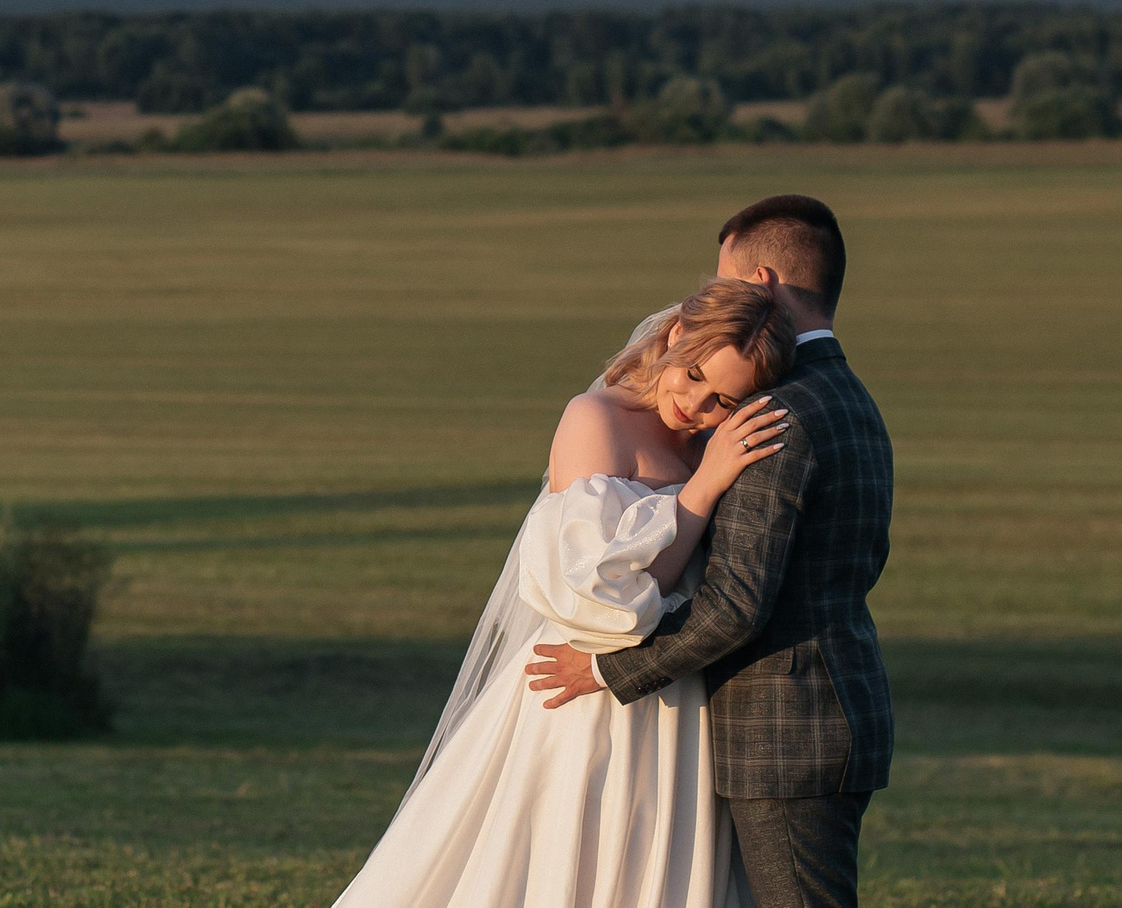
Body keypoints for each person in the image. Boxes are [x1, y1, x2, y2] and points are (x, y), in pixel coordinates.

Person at [330, 276, 797, 908]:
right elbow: (609, 602)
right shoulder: (596, 418)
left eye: (721, 400)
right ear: (675, 334)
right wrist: (701, 491)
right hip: (582, 687)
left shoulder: (712, 445)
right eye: (690, 375)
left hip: (676, 695)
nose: (694, 405)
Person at [526, 194, 896, 908]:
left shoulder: (775, 414)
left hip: (785, 730)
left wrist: (605, 668)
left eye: (723, 279)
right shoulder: (851, 397)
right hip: (836, 708)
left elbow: (737, 604)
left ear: (759, 284)